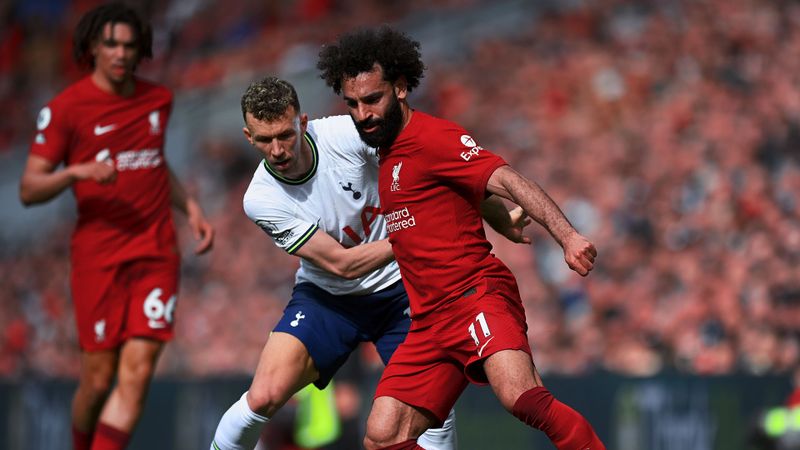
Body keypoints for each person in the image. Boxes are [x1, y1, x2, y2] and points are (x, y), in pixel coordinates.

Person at [317, 26, 606, 450]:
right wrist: (500, 219)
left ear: (400, 88)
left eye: (372, 99)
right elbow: (462, 190)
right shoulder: (384, 148)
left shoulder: (433, 138)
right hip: (428, 321)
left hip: (475, 296)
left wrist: (567, 236)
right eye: (354, 104)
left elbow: (504, 177)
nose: (363, 114)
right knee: (382, 437)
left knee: (521, 398)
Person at [209, 76, 531, 450]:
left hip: (403, 291)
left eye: (285, 134)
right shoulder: (261, 198)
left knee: (431, 414)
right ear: (249, 137)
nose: (278, 149)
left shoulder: (348, 136)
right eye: (265, 140)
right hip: (329, 298)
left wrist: (499, 218)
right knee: (263, 395)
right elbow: (343, 265)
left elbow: (439, 169)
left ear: (303, 122)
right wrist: (418, 230)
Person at [18, 4, 214, 450]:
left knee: (139, 370)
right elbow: (28, 189)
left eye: (128, 45)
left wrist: (192, 207)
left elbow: (153, 164)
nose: (121, 54)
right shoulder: (65, 109)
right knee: (98, 378)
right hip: (98, 257)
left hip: (156, 251)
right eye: (111, 44)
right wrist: (77, 172)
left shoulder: (158, 100)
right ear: (91, 47)